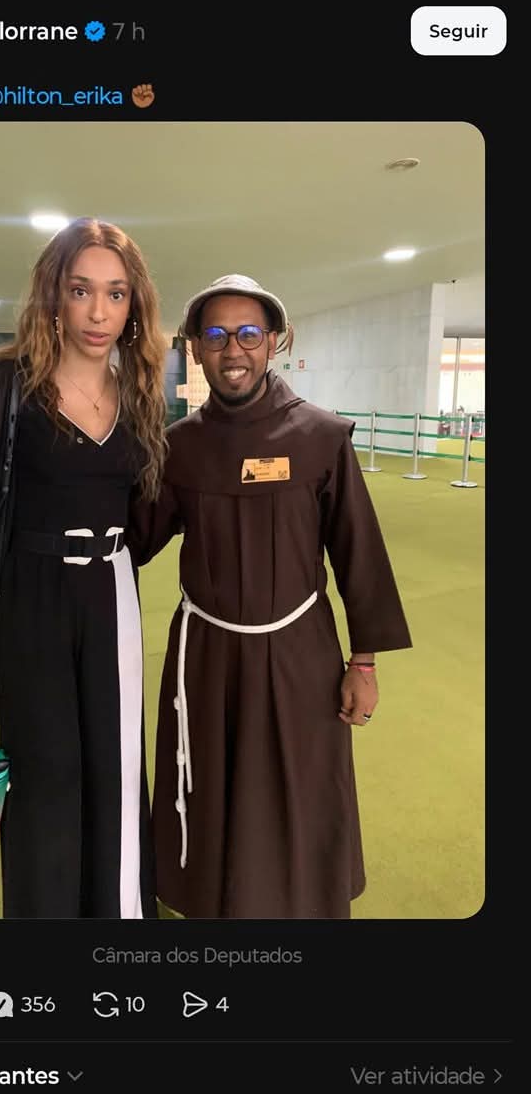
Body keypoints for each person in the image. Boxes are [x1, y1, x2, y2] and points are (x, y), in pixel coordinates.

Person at [128, 274, 412, 919]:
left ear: (275, 341)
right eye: (217, 335)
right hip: (206, 655)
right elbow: (136, 537)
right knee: (211, 780)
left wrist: (364, 664)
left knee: (301, 782)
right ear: (195, 348)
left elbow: (359, 552)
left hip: (299, 652)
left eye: (249, 334)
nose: (234, 350)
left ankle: (304, 901)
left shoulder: (321, 437)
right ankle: (212, 900)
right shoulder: (178, 447)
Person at [0, 219, 168, 918]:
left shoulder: (140, 392)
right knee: (44, 776)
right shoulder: (7, 384)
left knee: (114, 767)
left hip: (112, 597)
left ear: (133, 306)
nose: (99, 312)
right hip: (32, 600)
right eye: (81, 290)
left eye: (116, 293)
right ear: (55, 296)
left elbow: (145, 512)